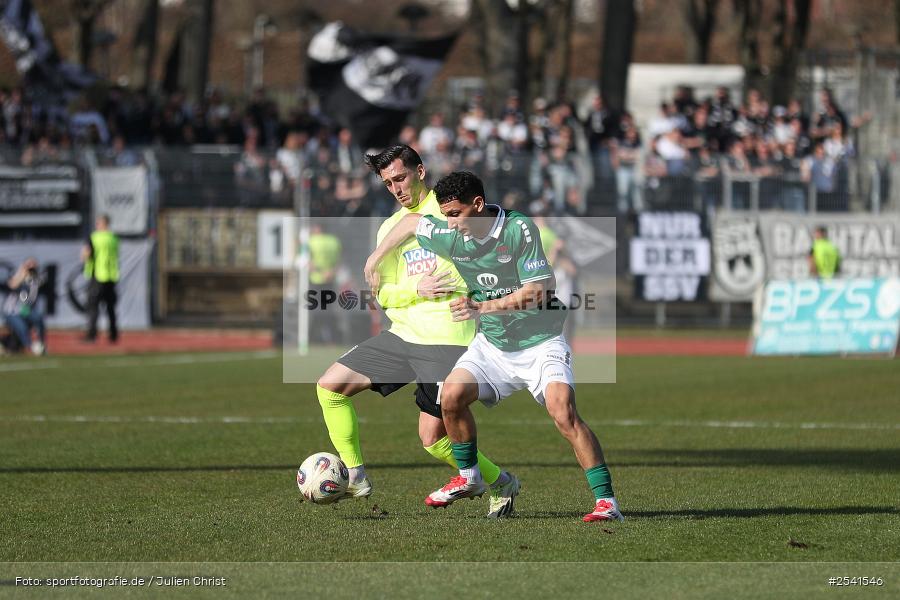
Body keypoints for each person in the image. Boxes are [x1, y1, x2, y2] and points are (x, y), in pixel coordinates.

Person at [365, 171, 623, 523]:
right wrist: (375, 258)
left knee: (563, 412)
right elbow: (412, 222)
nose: (451, 224)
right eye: (446, 216)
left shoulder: (519, 229)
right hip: (493, 346)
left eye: (455, 214)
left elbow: (540, 290)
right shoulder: (452, 232)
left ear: (478, 205)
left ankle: (607, 502)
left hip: (540, 342)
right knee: (450, 397)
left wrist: (483, 306)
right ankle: (470, 476)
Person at [315, 145, 519, 518]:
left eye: (400, 177)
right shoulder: (388, 227)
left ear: (420, 171)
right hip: (403, 335)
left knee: (432, 441)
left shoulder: (449, 211)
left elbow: (473, 267)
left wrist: (454, 284)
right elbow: (383, 295)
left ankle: (501, 482)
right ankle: (356, 475)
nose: (395, 188)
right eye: (387, 182)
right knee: (329, 388)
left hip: (448, 339)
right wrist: (416, 289)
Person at [81, 214, 119, 343]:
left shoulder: (95, 237)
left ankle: (91, 335)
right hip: (111, 276)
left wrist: (84, 257)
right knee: (110, 308)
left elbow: (86, 254)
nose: (96, 225)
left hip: (97, 276)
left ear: (102, 224)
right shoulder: (113, 238)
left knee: (93, 307)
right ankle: (113, 335)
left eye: (98, 223)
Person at [2, 258, 47, 355]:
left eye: (33, 267)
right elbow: (12, 285)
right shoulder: (17, 275)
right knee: (22, 328)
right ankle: (31, 347)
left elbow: (38, 285)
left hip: (24, 310)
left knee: (38, 318)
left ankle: (41, 343)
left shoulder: (35, 279)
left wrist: (31, 274)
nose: (30, 269)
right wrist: (22, 274)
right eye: (28, 266)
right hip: (11, 312)